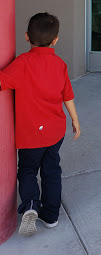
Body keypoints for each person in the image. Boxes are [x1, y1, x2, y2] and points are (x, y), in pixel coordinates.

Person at [0, 13, 81, 237]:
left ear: (27, 37)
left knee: (27, 170)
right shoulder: (60, 64)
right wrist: (74, 119)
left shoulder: (22, 63)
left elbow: (1, 81)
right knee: (52, 171)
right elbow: (68, 96)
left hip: (30, 136)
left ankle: (31, 206)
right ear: (55, 40)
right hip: (55, 132)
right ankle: (51, 216)